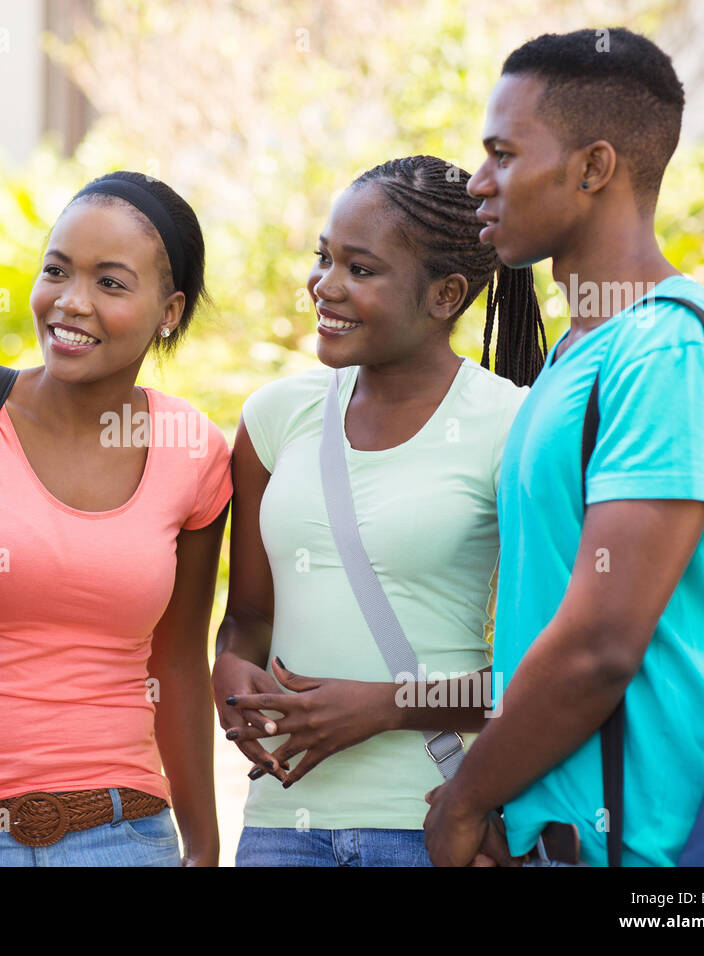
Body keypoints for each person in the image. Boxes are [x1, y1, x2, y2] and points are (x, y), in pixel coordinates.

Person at [422, 27, 704, 867]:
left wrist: (463, 802)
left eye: (503, 155)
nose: (478, 183)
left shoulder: (664, 349)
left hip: (660, 856)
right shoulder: (575, 354)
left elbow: (599, 645)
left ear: (593, 168)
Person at [0, 171, 231, 866]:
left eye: (111, 283)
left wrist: (204, 844)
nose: (71, 303)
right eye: (57, 271)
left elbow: (181, 660)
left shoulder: (196, 452)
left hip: (124, 836)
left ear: (171, 311)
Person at [213, 155, 546, 866]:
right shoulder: (275, 417)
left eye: (360, 271)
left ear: (445, 294)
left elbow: (542, 674)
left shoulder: (512, 424)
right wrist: (229, 669)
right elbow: (247, 621)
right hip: (281, 825)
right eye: (324, 258)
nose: (324, 287)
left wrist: (389, 704)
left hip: (429, 821)